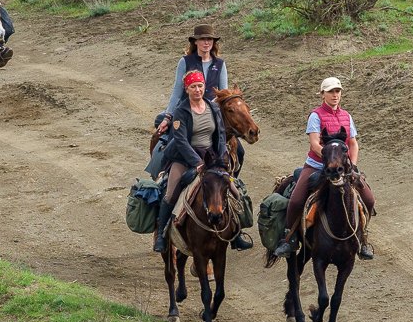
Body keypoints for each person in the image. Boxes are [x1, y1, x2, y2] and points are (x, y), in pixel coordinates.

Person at [153, 24, 252, 251]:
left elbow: (225, 94)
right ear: (195, 42)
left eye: (209, 39)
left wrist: (220, 152)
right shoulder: (185, 62)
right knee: (172, 187)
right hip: (188, 121)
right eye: (202, 39)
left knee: (236, 171)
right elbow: (176, 93)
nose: (206, 43)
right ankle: (162, 231)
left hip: (212, 112)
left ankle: (235, 230)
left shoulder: (220, 64)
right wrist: (169, 116)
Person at [273, 77, 376, 260]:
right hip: (316, 165)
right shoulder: (316, 116)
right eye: (330, 91)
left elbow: (353, 144)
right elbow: (314, 144)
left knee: (368, 198)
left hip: (344, 168)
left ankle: (362, 238)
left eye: (337, 91)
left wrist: (351, 165)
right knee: (296, 200)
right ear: (322, 94)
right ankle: (289, 239)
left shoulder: (347, 116)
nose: (335, 95)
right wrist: (331, 161)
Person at [153, 70, 232, 253]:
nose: (197, 90)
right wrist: (197, 162)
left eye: (200, 86)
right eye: (193, 86)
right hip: (184, 158)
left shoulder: (213, 108)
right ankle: (162, 235)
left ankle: (236, 233)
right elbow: (180, 140)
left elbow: (220, 135)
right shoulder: (181, 111)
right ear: (187, 89)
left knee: (235, 189)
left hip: (210, 157)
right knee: (171, 193)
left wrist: (219, 159)